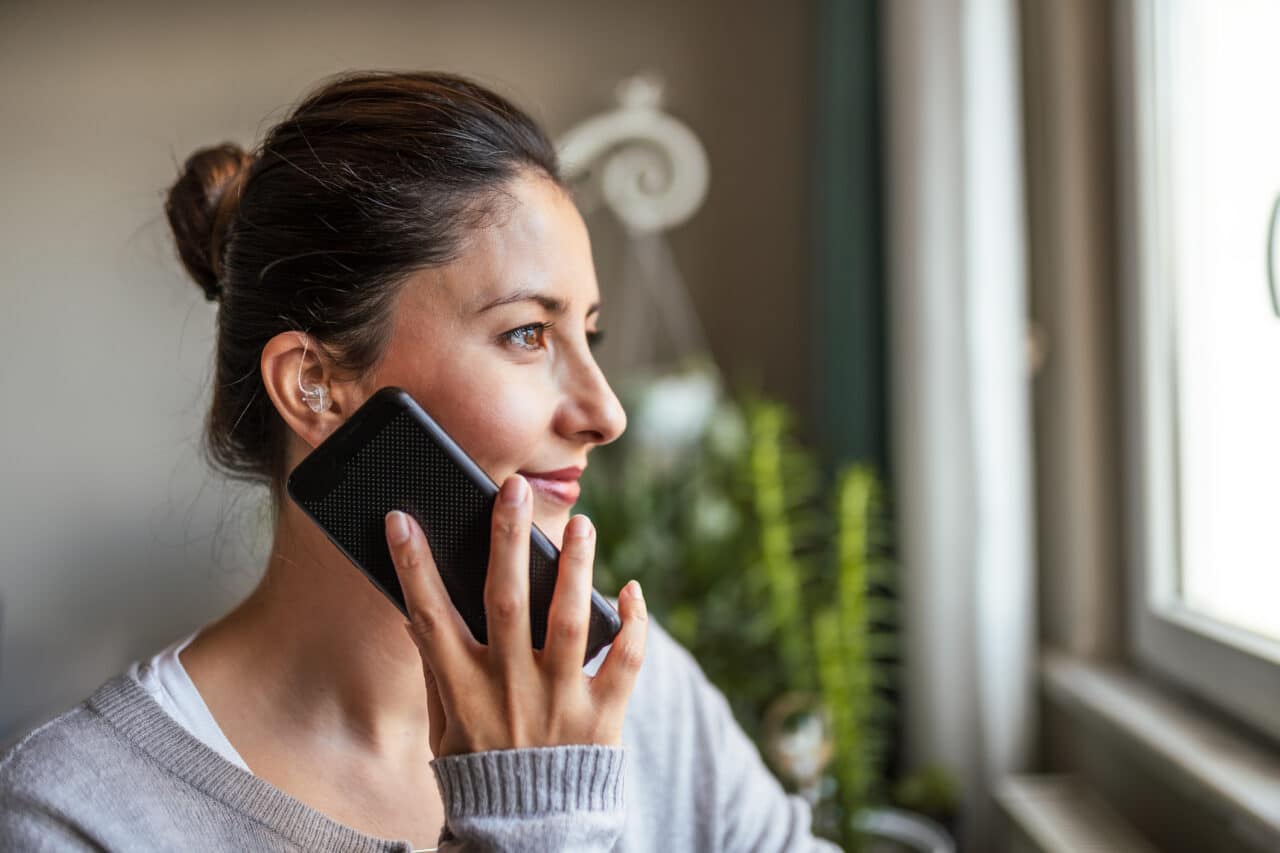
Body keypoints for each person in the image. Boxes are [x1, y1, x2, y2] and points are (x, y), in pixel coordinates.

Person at [0, 70, 839, 852]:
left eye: (591, 334)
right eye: (527, 334)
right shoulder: (81, 812)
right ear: (317, 386)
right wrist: (531, 808)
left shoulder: (636, 697)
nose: (606, 413)